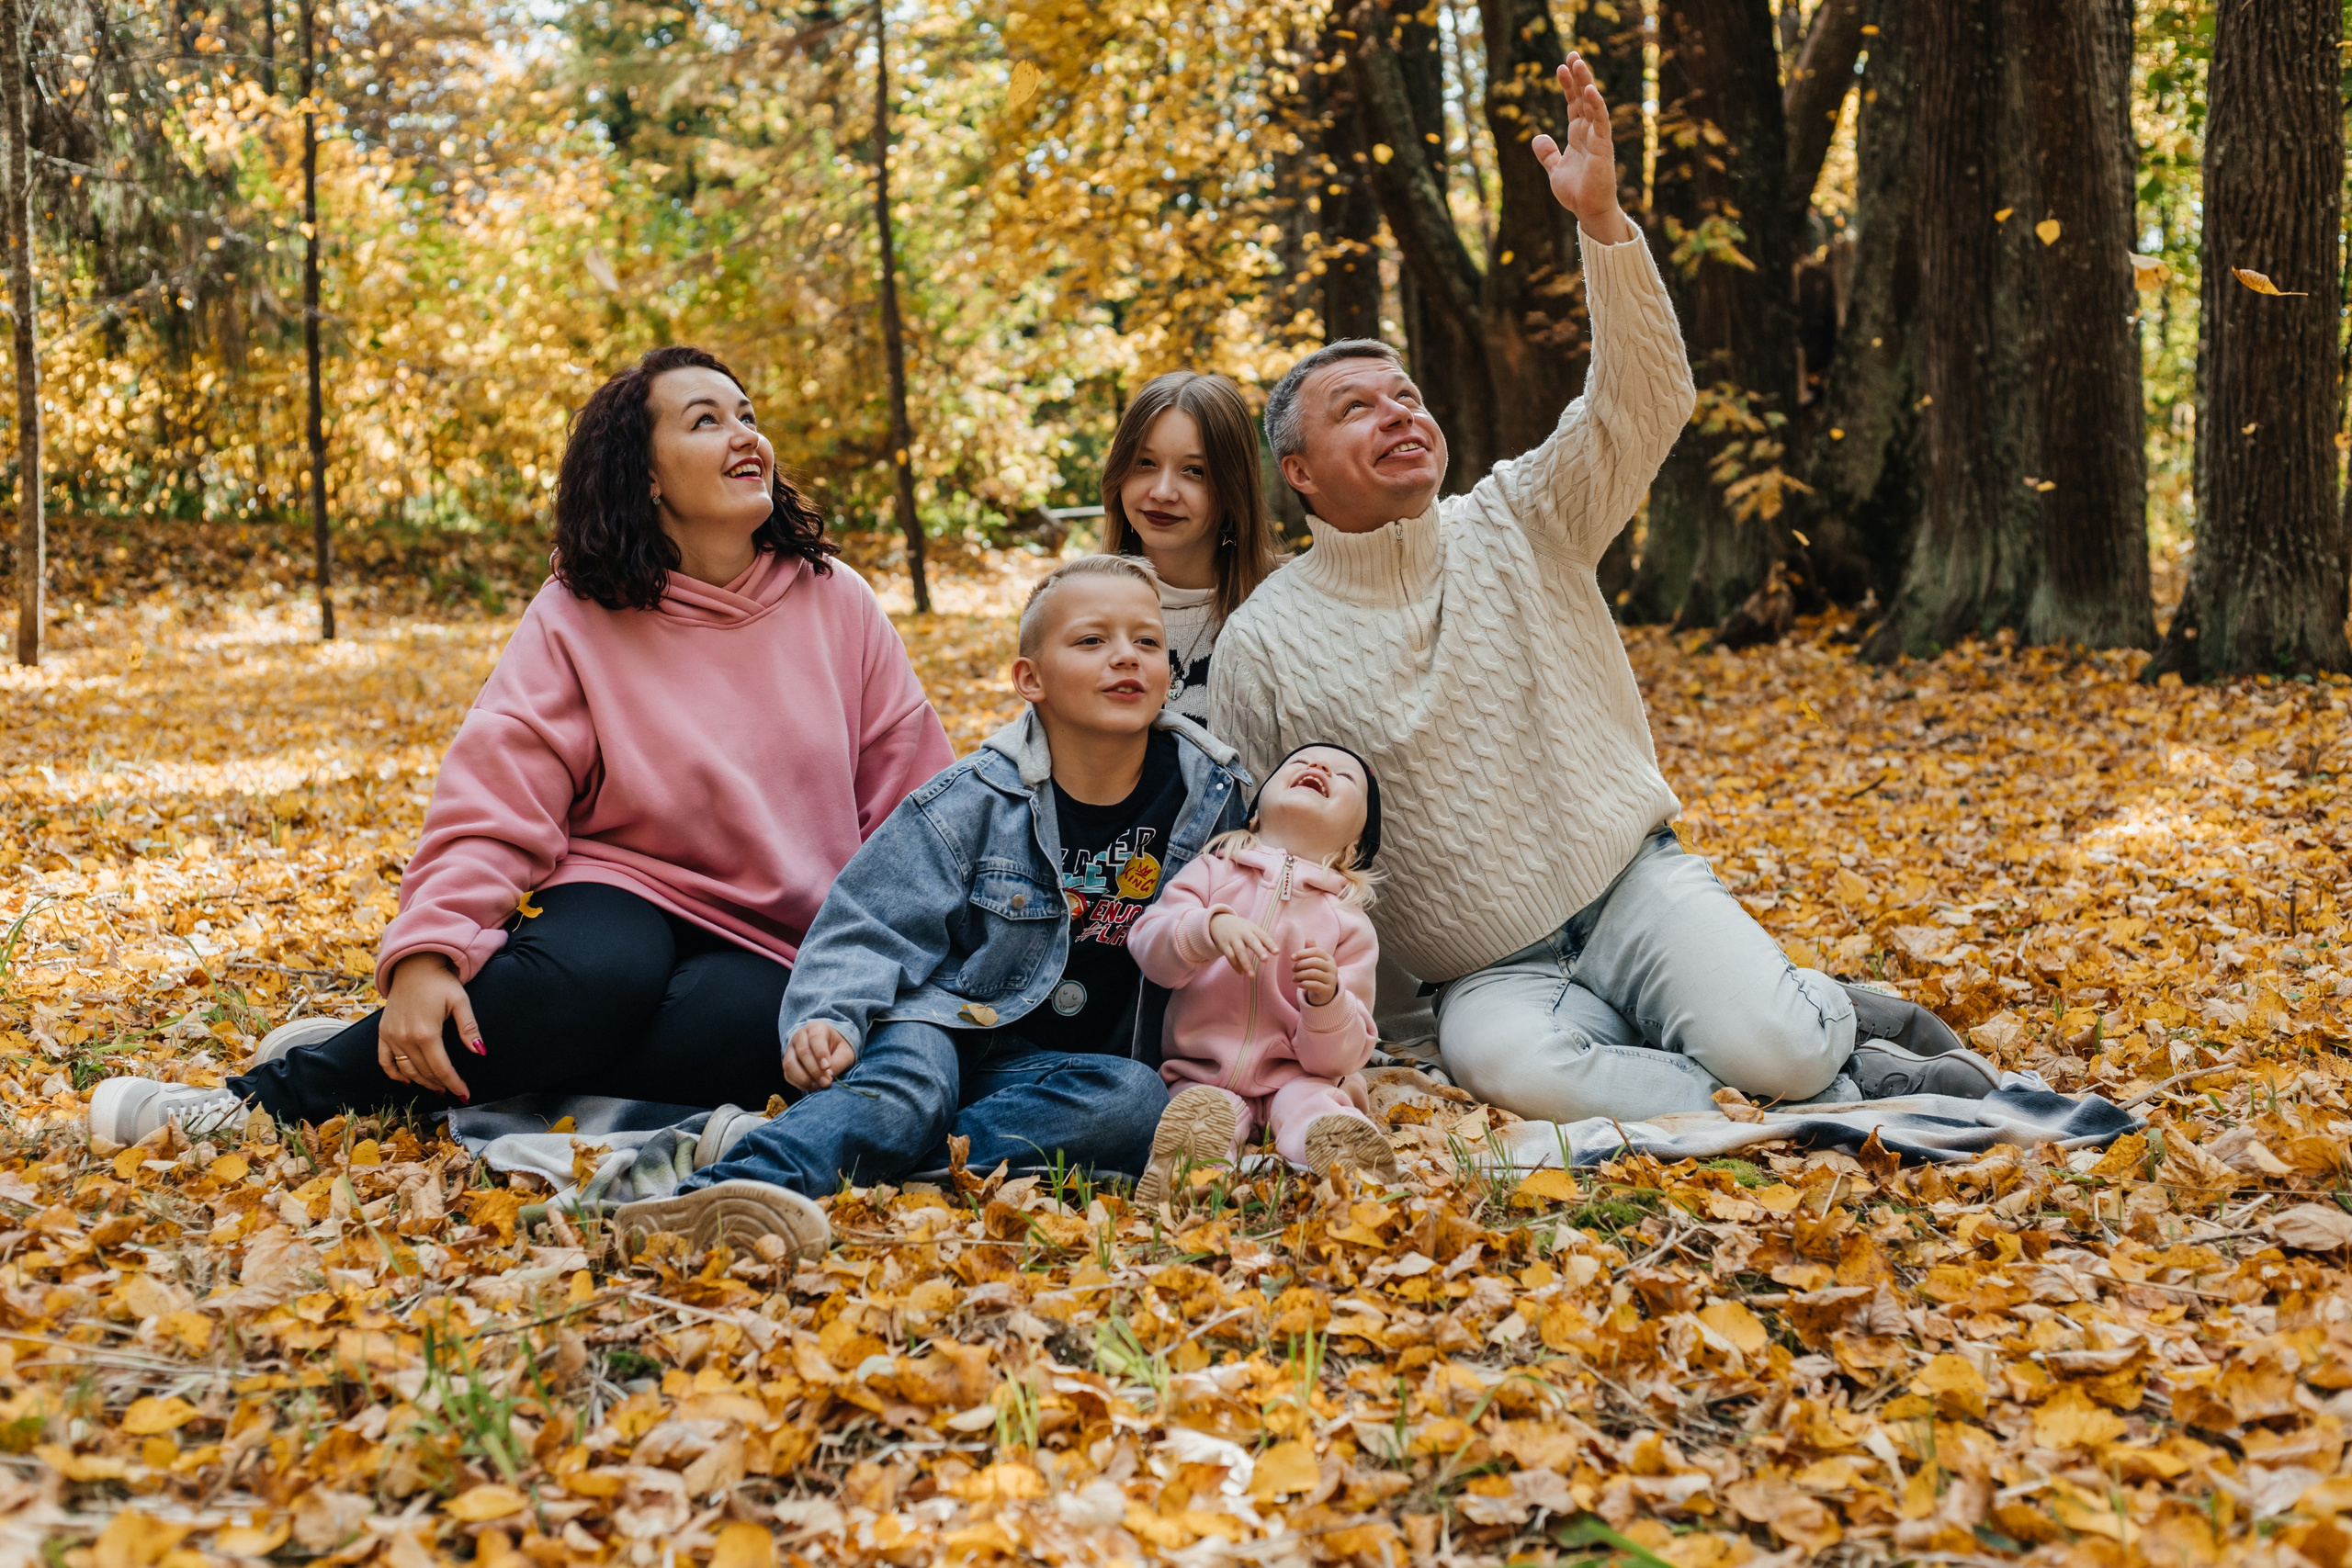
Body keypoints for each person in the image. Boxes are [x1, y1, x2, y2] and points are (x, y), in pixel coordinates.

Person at [1209, 55, 1998, 1125]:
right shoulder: (1265, 641)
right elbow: (1273, 853)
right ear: (1298, 473)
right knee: (1522, 1076)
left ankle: (1809, 1033)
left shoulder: (1521, 515)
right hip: (1483, 978)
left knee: (1777, 1045)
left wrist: (1604, 226)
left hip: (1635, 889)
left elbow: (1643, 401)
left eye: (1407, 396)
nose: (1399, 414)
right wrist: (1361, 1023)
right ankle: (1808, 1076)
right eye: (1357, 408)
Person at [90, 346, 955, 1146]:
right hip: (621, 888)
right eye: (706, 420)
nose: (746, 436)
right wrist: (428, 956)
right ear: (644, 474)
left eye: (747, 414)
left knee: (759, 1040)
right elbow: (500, 791)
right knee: (595, 982)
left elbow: (917, 807)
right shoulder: (582, 610)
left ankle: (423, 1061)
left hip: (780, 933)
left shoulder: (836, 602)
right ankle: (265, 1100)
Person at [612, 554, 1250, 1254]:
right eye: (1092, 641)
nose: (1126, 656)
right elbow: (870, 919)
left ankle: (876, 1161)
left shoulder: (1208, 798)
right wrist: (828, 1016)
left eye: (1147, 641)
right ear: (1029, 680)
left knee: (1134, 1100)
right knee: (908, 1092)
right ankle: (725, 1194)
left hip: (1058, 1072)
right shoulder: (972, 800)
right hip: (940, 1022)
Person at [1129, 743, 1393, 1205]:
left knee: (1314, 1104)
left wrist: (1327, 1001)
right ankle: (1194, 1164)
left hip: (1298, 1075)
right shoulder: (1211, 873)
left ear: (1353, 846)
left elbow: (1341, 1059)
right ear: (1253, 817)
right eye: (1299, 763)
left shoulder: (1349, 925)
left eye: (1344, 776)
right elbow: (1148, 946)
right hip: (1201, 1072)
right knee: (1202, 1110)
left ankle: (1336, 1152)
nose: (1317, 766)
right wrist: (1205, 928)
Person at [1098, 371, 1283, 725]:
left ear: (1233, 486)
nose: (1163, 492)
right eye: (1145, 463)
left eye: (1195, 471)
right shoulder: (1074, 604)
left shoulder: (1286, 606)